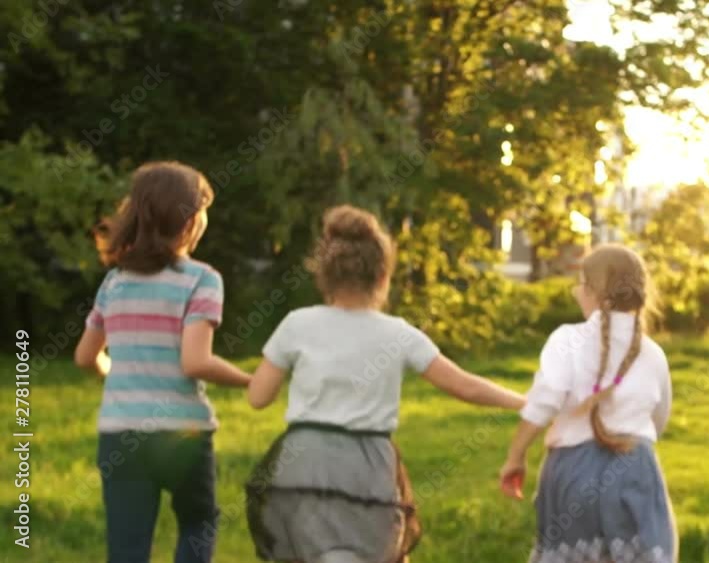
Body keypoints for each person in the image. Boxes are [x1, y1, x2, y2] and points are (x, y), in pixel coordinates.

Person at [245, 205, 525, 563]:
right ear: (382, 277)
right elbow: (464, 386)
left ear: (324, 275)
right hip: (368, 464)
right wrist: (525, 402)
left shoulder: (297, 324)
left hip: (303, 461)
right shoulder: (398, 333)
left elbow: (257, 397)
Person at [74, 161, 252, 563]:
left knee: (127, 546)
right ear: (190, 222)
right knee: (198, 522)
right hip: (182, 432)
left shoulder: (115, 281)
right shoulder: (202, 279)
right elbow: (196, 362)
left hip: (121, 433)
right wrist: (248, 379)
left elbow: (85, 356)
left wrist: (111, 370)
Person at [499, 244, 676, 563]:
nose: (575, 292)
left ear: (595, 292)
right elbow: (658, 421)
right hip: (636, 469)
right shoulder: (654, 354)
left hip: (573, 473)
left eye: (580, 284)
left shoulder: (567, 339)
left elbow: (543, 404)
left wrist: (516, 457)